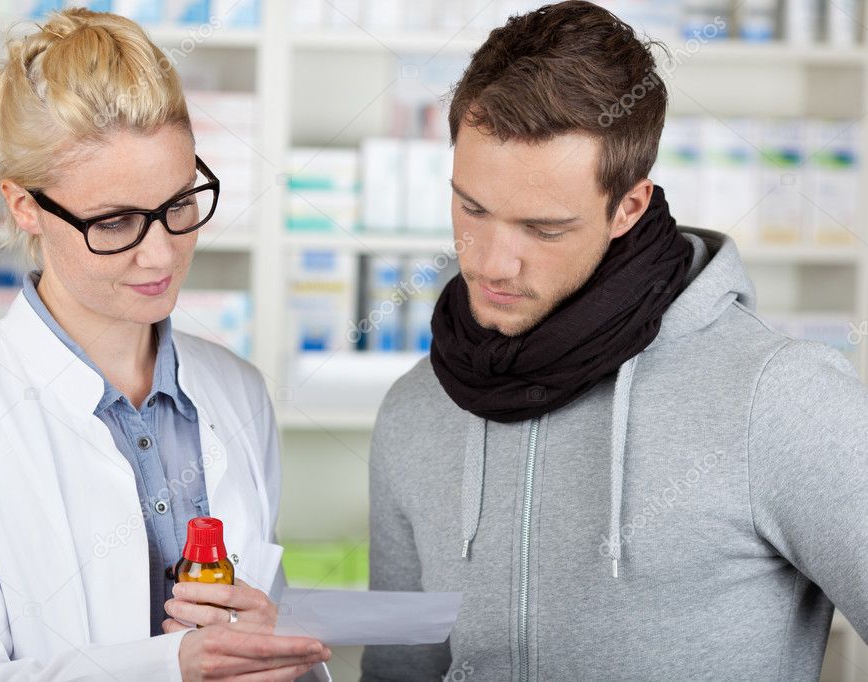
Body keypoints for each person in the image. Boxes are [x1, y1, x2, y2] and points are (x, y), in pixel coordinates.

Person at [361, 2, 868, 680]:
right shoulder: (416, 405)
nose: (489, 263)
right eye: (472, 208)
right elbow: (399, 670)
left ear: (628, 207)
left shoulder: (779, 398)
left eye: (542, 229)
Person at [0, 9, 330, 681]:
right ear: (25, 206)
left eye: (179, 205)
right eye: (115, 222)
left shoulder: (237, 391)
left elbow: (261, 631)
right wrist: (169, 667)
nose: (161, 254)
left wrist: (276, 653)